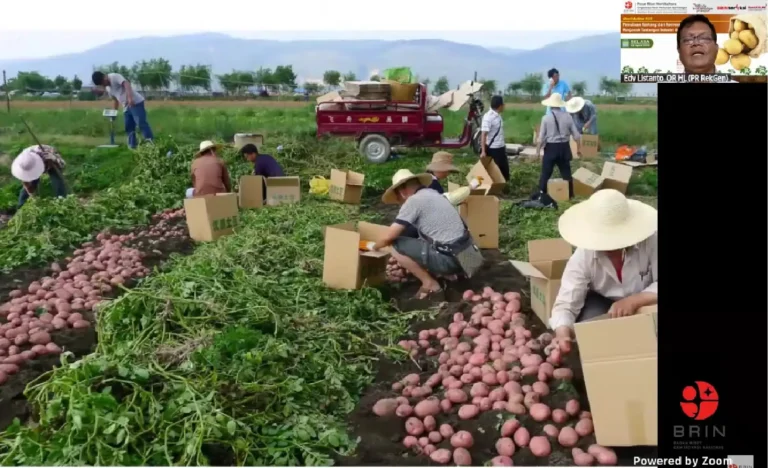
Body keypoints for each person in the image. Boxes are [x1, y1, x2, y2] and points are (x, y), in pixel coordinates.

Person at [548, 189, 658, 352]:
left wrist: (634, 300)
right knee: (591, 336)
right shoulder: (583, 256)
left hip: (647, 302)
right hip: (603, 302)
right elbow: (566, 303)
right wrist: (562, 332)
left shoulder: (651, 241)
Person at [371, 169, 484, 299]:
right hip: (470, 257)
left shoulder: (414, 201)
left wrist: (373, 247)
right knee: (423, 237)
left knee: (394, 244)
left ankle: (429, 283)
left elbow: (388, 237)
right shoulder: (434, 193)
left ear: (401, 191)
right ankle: (450, 275)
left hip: (451, 260)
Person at [91, 71, 154, 149]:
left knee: (141, 123)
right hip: (126, 106)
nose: (104, 85)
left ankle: (150, 143)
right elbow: (115, 100)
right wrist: (114, 112)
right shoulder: (108, 88)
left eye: (103, 82)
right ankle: (132, 146)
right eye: (101, 84)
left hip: (135, 103)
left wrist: (130, 98)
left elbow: (126, 84)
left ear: (104, 76)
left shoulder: (114, 77)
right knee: (129, 126)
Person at [536, 93, 580, 199]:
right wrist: (579, 149)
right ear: (561, 105)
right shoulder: (568, 117)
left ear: (550, 105)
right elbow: (577, 136)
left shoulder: (546, 118)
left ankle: (542, 194)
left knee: (546, 173)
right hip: (564, 147)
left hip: (551, 148)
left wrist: (537, 152)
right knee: (566, 174)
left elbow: (541, 138)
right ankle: (570, 195)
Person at [479, 95, 509, 182]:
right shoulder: (488, 117)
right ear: (500, 106)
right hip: (494, 149)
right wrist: (483, 151)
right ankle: (495, 188)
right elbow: (483, 134)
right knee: (496, 171)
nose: (504, 106)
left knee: (504, 170)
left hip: (501, 147)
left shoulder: (498, 115)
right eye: (503, 104)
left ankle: (503, 186)